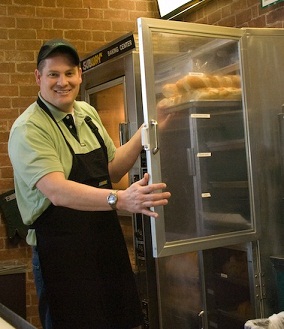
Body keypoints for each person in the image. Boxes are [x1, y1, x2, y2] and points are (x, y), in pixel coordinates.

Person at [8, 39, 171, 329]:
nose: (63, 82)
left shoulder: (87, 114)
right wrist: (120, 200)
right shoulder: (28, 128)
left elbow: (112, 169)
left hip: (103, 242)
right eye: (53, 74)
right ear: (38, 78)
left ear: (80, 75)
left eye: (69, 73)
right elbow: (56, 190)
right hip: (61, 255)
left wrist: (146, 132)